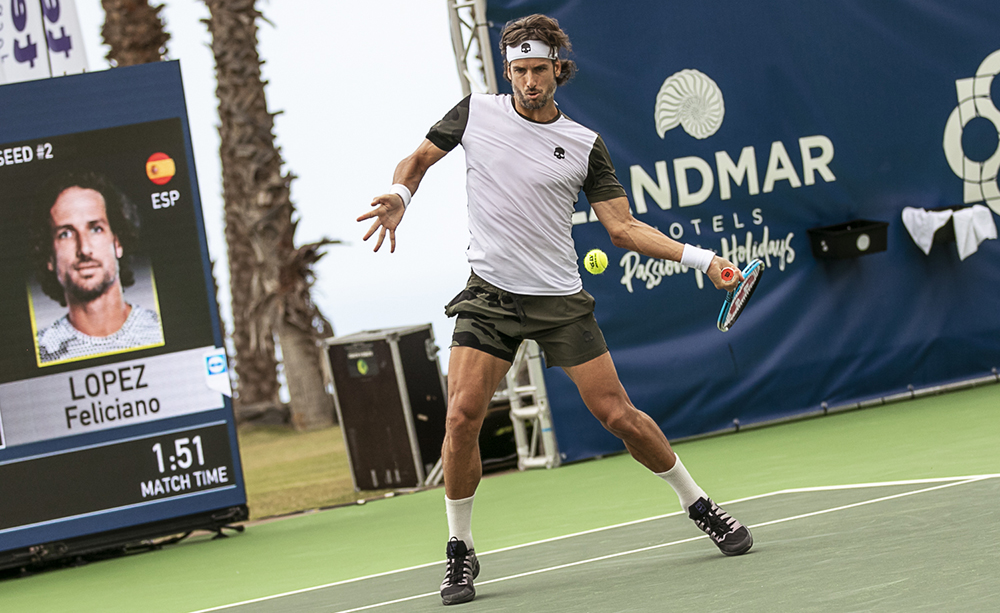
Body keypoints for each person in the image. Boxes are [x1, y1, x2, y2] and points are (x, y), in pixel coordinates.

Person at [358, 14, 753, 606]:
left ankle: (699, 504)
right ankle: (460, 551)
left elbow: (621, 228)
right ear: (508, 70)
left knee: (618, 415)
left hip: (559, 301)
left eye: (538, 70)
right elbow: (415, 162)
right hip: (489, 294)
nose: (527, 81)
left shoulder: (585, 145)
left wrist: (703, 261)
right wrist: (399, 195)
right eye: (518, 70)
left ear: (557, 71)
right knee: (462, 417)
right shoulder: (475, 114)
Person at [31, 171, 163, 365]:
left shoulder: (158, 329)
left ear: (117, 243)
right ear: (49, 257)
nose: (84, 249)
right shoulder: (42, 350)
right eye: (66, 234)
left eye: (96, 229)